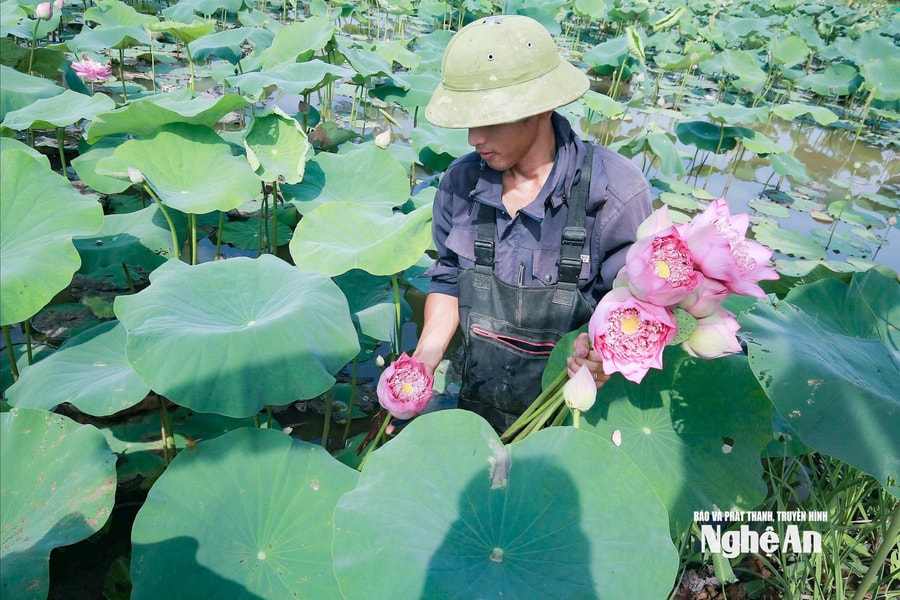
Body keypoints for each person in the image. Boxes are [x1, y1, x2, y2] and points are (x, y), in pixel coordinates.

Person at [412, 14, 652, 432]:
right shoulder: (460, 182)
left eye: (490, 120)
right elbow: (449, 279)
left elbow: (632, 313)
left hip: (569, 413)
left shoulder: (616, 195)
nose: (474, 138)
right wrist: (421, 365)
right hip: (476, 400)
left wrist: (599, 357)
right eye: (469, 121)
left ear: (540, 109)